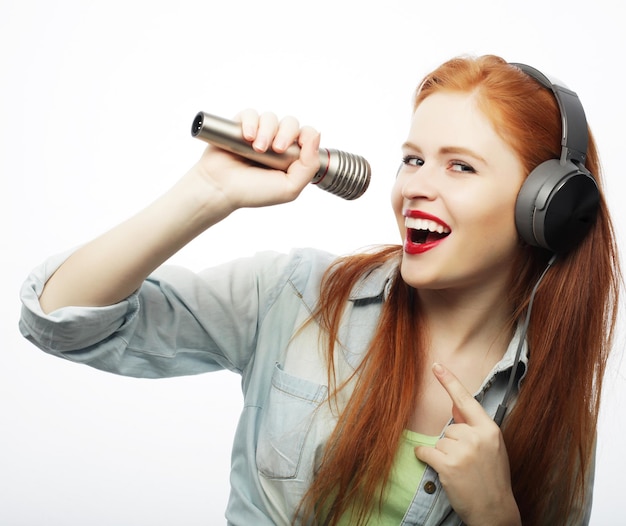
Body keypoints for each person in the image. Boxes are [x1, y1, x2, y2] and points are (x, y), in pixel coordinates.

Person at [19, 54, 621, 525]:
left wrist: (496, 518)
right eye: (412, 160)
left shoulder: (556, 409)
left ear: (546, 208)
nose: (416, 187)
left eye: (459, 166)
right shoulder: (293, 296)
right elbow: (59, 321)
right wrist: (207, 190)